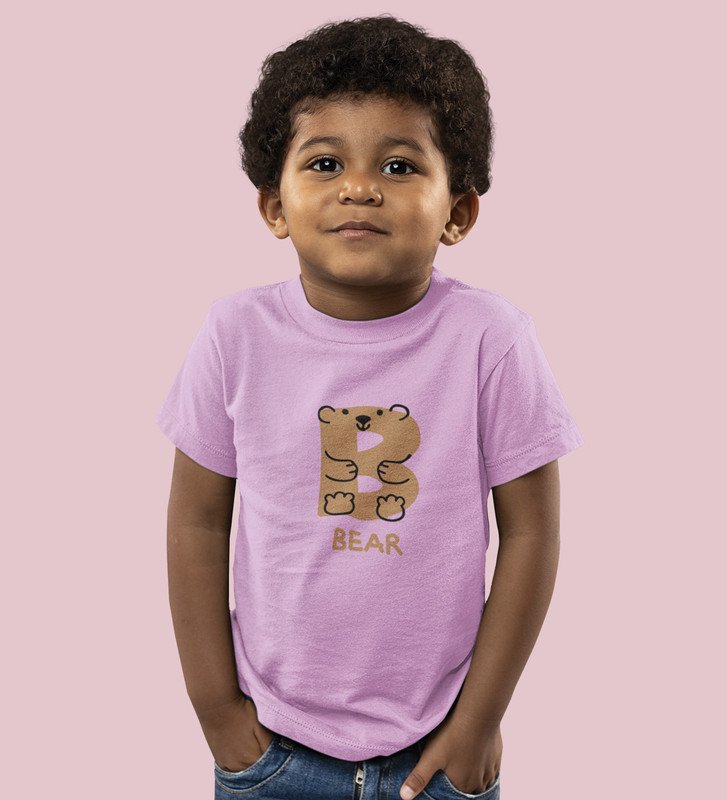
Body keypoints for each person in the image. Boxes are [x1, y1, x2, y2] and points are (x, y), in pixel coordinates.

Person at [156, 14, 584, 800]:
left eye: (398, 164)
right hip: (272, 745)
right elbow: (197, 523)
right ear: (274, 206)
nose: (359, 186)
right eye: (324, 163)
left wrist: (478, 722)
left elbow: (530, 534)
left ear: (457, 212)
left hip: (439, 750)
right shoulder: (234, 334)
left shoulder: (489, 339)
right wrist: (216, 710)